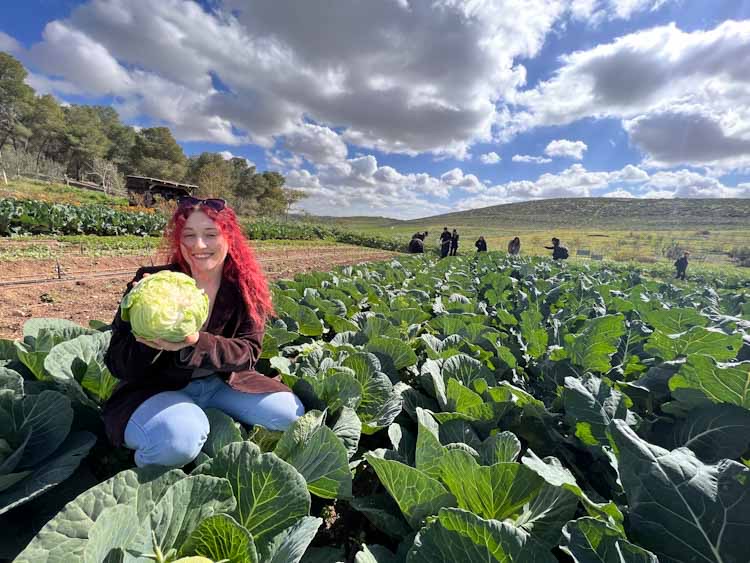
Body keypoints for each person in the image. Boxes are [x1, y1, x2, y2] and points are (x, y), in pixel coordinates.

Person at [102, 196, 304, 468]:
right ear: (179, 240)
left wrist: (196, 343)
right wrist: (150, 339)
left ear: (228, 238)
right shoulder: (151, 284)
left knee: (289, 416)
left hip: (221, 383)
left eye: (210, 234)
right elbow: (117, 362)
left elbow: (248, 354)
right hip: (156, 387)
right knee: (178, 439)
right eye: (189, 235)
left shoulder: (244, 289)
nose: (199, 245)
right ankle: (152, 461)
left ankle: (202, 416)